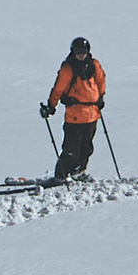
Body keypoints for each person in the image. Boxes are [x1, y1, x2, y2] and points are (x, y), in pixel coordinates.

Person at [42, 36, 105, 179]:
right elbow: (58, 89)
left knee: (86, 148)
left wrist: (100, 97)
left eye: (83, 51)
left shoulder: (94, 65)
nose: (81, 55)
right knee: (71, 150)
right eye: (78, 51)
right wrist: (51, 106)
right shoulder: (68, 68)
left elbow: (101, 80)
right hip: (75, 116)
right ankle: (61, 176)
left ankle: (79, 172)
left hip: (92, 115)